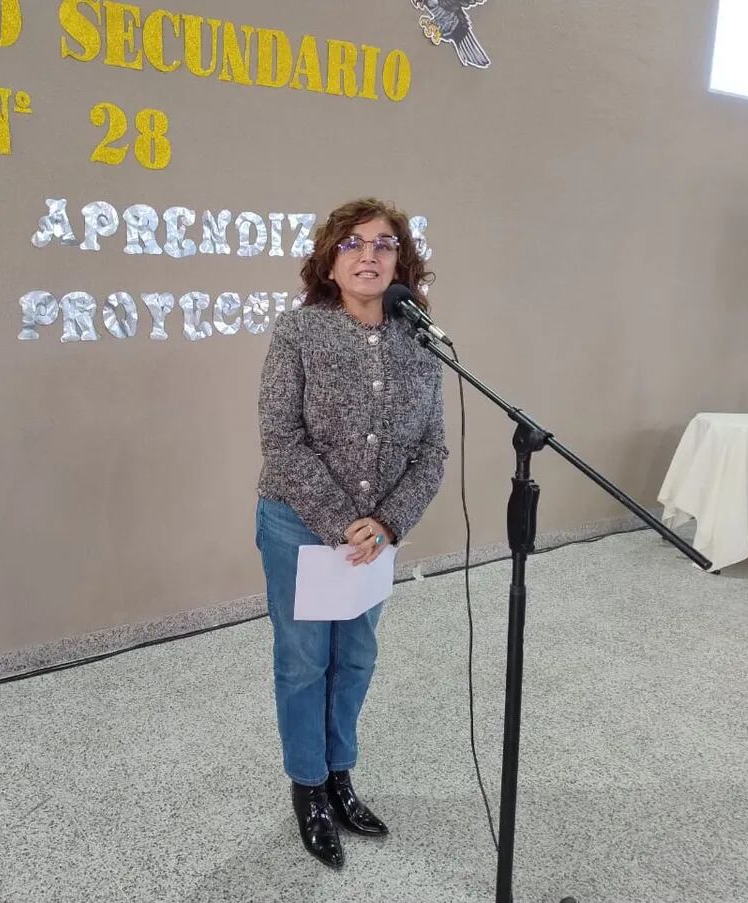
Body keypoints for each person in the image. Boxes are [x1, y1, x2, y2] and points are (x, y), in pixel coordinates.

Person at [255, 197, 448, 869]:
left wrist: (388, 522)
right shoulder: (298, 332)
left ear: (403, 261)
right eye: (353, 244)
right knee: (305, 660)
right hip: (299, 524)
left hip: (377, 536)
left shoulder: (420, 338)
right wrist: (344, 522)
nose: (370, 255)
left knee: (357, 657)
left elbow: (433, 453)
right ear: (329, 261)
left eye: (385, 244)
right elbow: (281, 440)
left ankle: (341, 773)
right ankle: (308, 785)